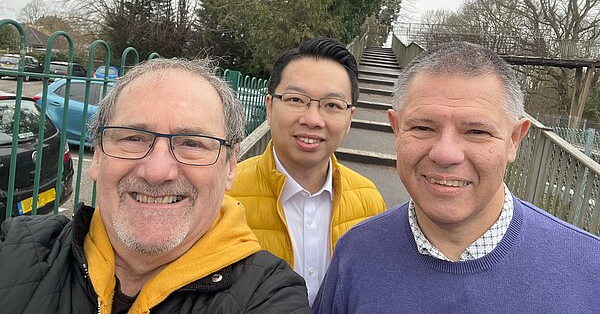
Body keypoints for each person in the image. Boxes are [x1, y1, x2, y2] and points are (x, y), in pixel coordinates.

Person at [0, 58, 310, 313]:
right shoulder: (16, 247)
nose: (157, 171)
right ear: (97, 156)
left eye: (192, 143)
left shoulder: (270, 297)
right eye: (133, 138)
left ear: (230, 167)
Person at [312, 42, 600, 313]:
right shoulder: (355, 254)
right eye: (424, 127)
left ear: (514, 139)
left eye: (476, 132)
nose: (445, 153)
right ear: (396, 130)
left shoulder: (589, 268)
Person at [229, 38, 386, 304]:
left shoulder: (370, 201)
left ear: (350, 118)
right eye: (296, 99)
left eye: (332, 105)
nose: (312, 119)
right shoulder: (225, 195)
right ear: (269, 106)